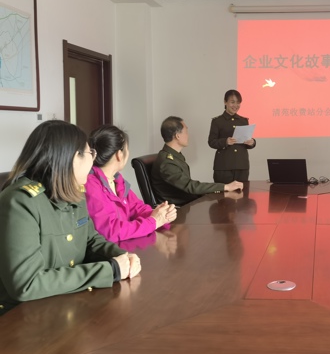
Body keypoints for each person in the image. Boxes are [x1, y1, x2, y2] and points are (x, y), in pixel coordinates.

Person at [0, 120, 141, 316]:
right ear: (75, 158)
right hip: (22, 317)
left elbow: (90, 240)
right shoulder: (20, 202)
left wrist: (122, 256)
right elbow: (27, 283)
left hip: (65, 303)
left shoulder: (73, 191)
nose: (94, 161)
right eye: (91, 153)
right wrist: (110, 270)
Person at [85, 125, 177, 242]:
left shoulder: (117, 180)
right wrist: (153, 222)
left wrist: (160, 214)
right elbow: (110, 231)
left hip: (125, 245)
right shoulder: (90, 184)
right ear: (119, 155)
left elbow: (136, 208)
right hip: (109, 250)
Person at [151, 116, 243, 206]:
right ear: (177, 136)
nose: (188, 135)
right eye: (186, 131)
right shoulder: (167, 162)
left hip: (186, 203)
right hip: (178, 209)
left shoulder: (173, 156)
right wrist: (226, 187)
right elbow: (190, 186)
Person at [208, 89, 256, 183]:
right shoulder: (217, 121)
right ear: (225, 102)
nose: (235, 105)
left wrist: (252, 142)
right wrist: (225, 141)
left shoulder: (243, 121)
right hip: (223, 166)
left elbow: (246, 141)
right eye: (232, 102)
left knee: (242, 192)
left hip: (242, 166)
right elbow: (211, 142)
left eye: (238, 102)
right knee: (223, 192)